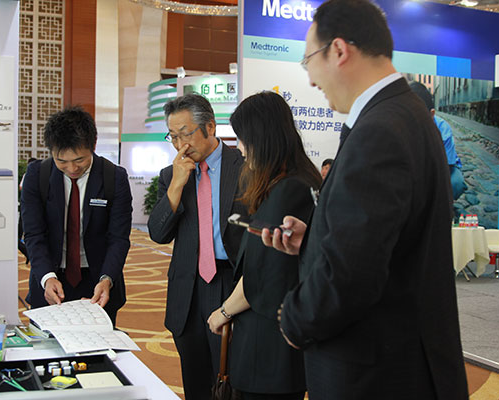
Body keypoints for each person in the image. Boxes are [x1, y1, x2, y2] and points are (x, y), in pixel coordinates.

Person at [261, 1, 468, 398]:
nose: (311, 80)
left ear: (339, 50)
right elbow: (386, 241)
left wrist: (294, 319)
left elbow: (350, 275)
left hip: (378, 376)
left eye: (308, 61)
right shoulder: (406, 114)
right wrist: (314, 239)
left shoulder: (379, 131)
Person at [207, 91, 321, 400]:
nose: (240, 148)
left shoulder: (288, 190)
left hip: (267, 350)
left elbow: (262, 273)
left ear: (261, 137)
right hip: (276, 345)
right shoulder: (299, 180)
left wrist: (223, 312)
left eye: (243, 139)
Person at [147, 93, 247, 400]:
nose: (180, 145)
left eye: (186, 134)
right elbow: (158, 234)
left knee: (232, 380)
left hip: (231, 284)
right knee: (195, 382)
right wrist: (177, 185)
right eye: (173, 137)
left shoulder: (244, 168)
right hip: (187, 292)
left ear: (210, 127)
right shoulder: (171, 174)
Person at [21, 106, 132, 325]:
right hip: (50, 279)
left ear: (93, 145)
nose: (72, 168)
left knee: (97, 344)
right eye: (61, 161)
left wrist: (107, 278)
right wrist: (47, 277)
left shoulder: (113, 177)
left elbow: (118, 238)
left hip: (98, 282)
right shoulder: (37, 176)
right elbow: (34, 234)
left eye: (79, 160)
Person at [409, 81, 467, 200]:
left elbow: (445, 168)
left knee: (456, 183)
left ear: (432, 114)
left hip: (444, 169)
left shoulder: (443, 128)